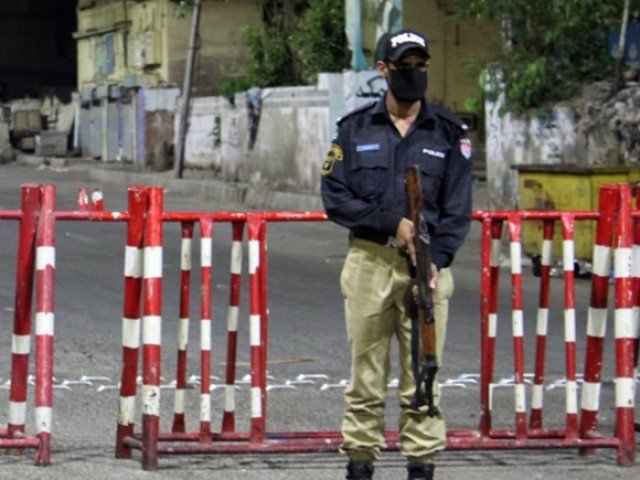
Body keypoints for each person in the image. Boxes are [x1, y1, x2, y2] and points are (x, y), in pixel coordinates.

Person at [320, 28, 473, 480]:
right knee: (365, 379)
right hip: (371, 262)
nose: (413, 74)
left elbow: (458, 210)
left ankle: (421, 466)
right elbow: (335, 196)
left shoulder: (449, 133)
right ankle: (360, 464)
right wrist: (392, 222)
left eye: (420, 66)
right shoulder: (354, 129)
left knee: (422, 379)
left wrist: (436, 263)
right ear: (384, 70)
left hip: (426, 270)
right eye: (403, 66)